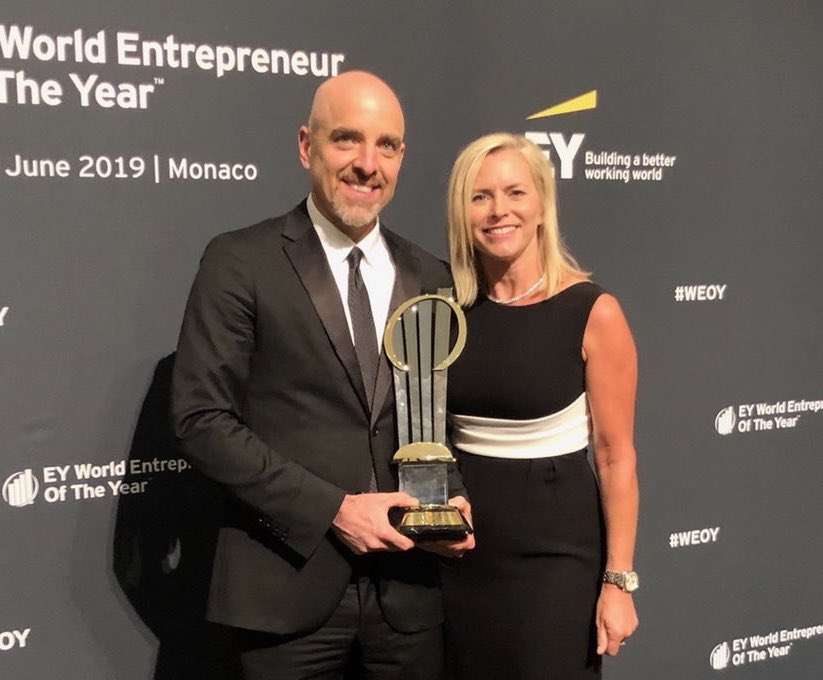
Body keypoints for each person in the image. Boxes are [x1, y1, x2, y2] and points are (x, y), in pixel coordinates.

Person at [171, 71, 474, 680]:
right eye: (346, 139)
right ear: (307, 146)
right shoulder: (240, 260)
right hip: (284, 586)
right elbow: (200, 419)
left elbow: (434, 417)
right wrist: (334, 509)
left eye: (386, 145)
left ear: (402, 157)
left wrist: (451, 497)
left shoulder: (432, 276)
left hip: (409, 594)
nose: (367, 163)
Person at [442, 133, 639, 679]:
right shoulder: (446, 309)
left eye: (515, 193)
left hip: (555, 560)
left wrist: (618, 582)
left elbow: (616, 457)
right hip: (458, 556)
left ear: (542, 205)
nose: (498, 210)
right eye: (480, 196)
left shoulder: (593, 311)